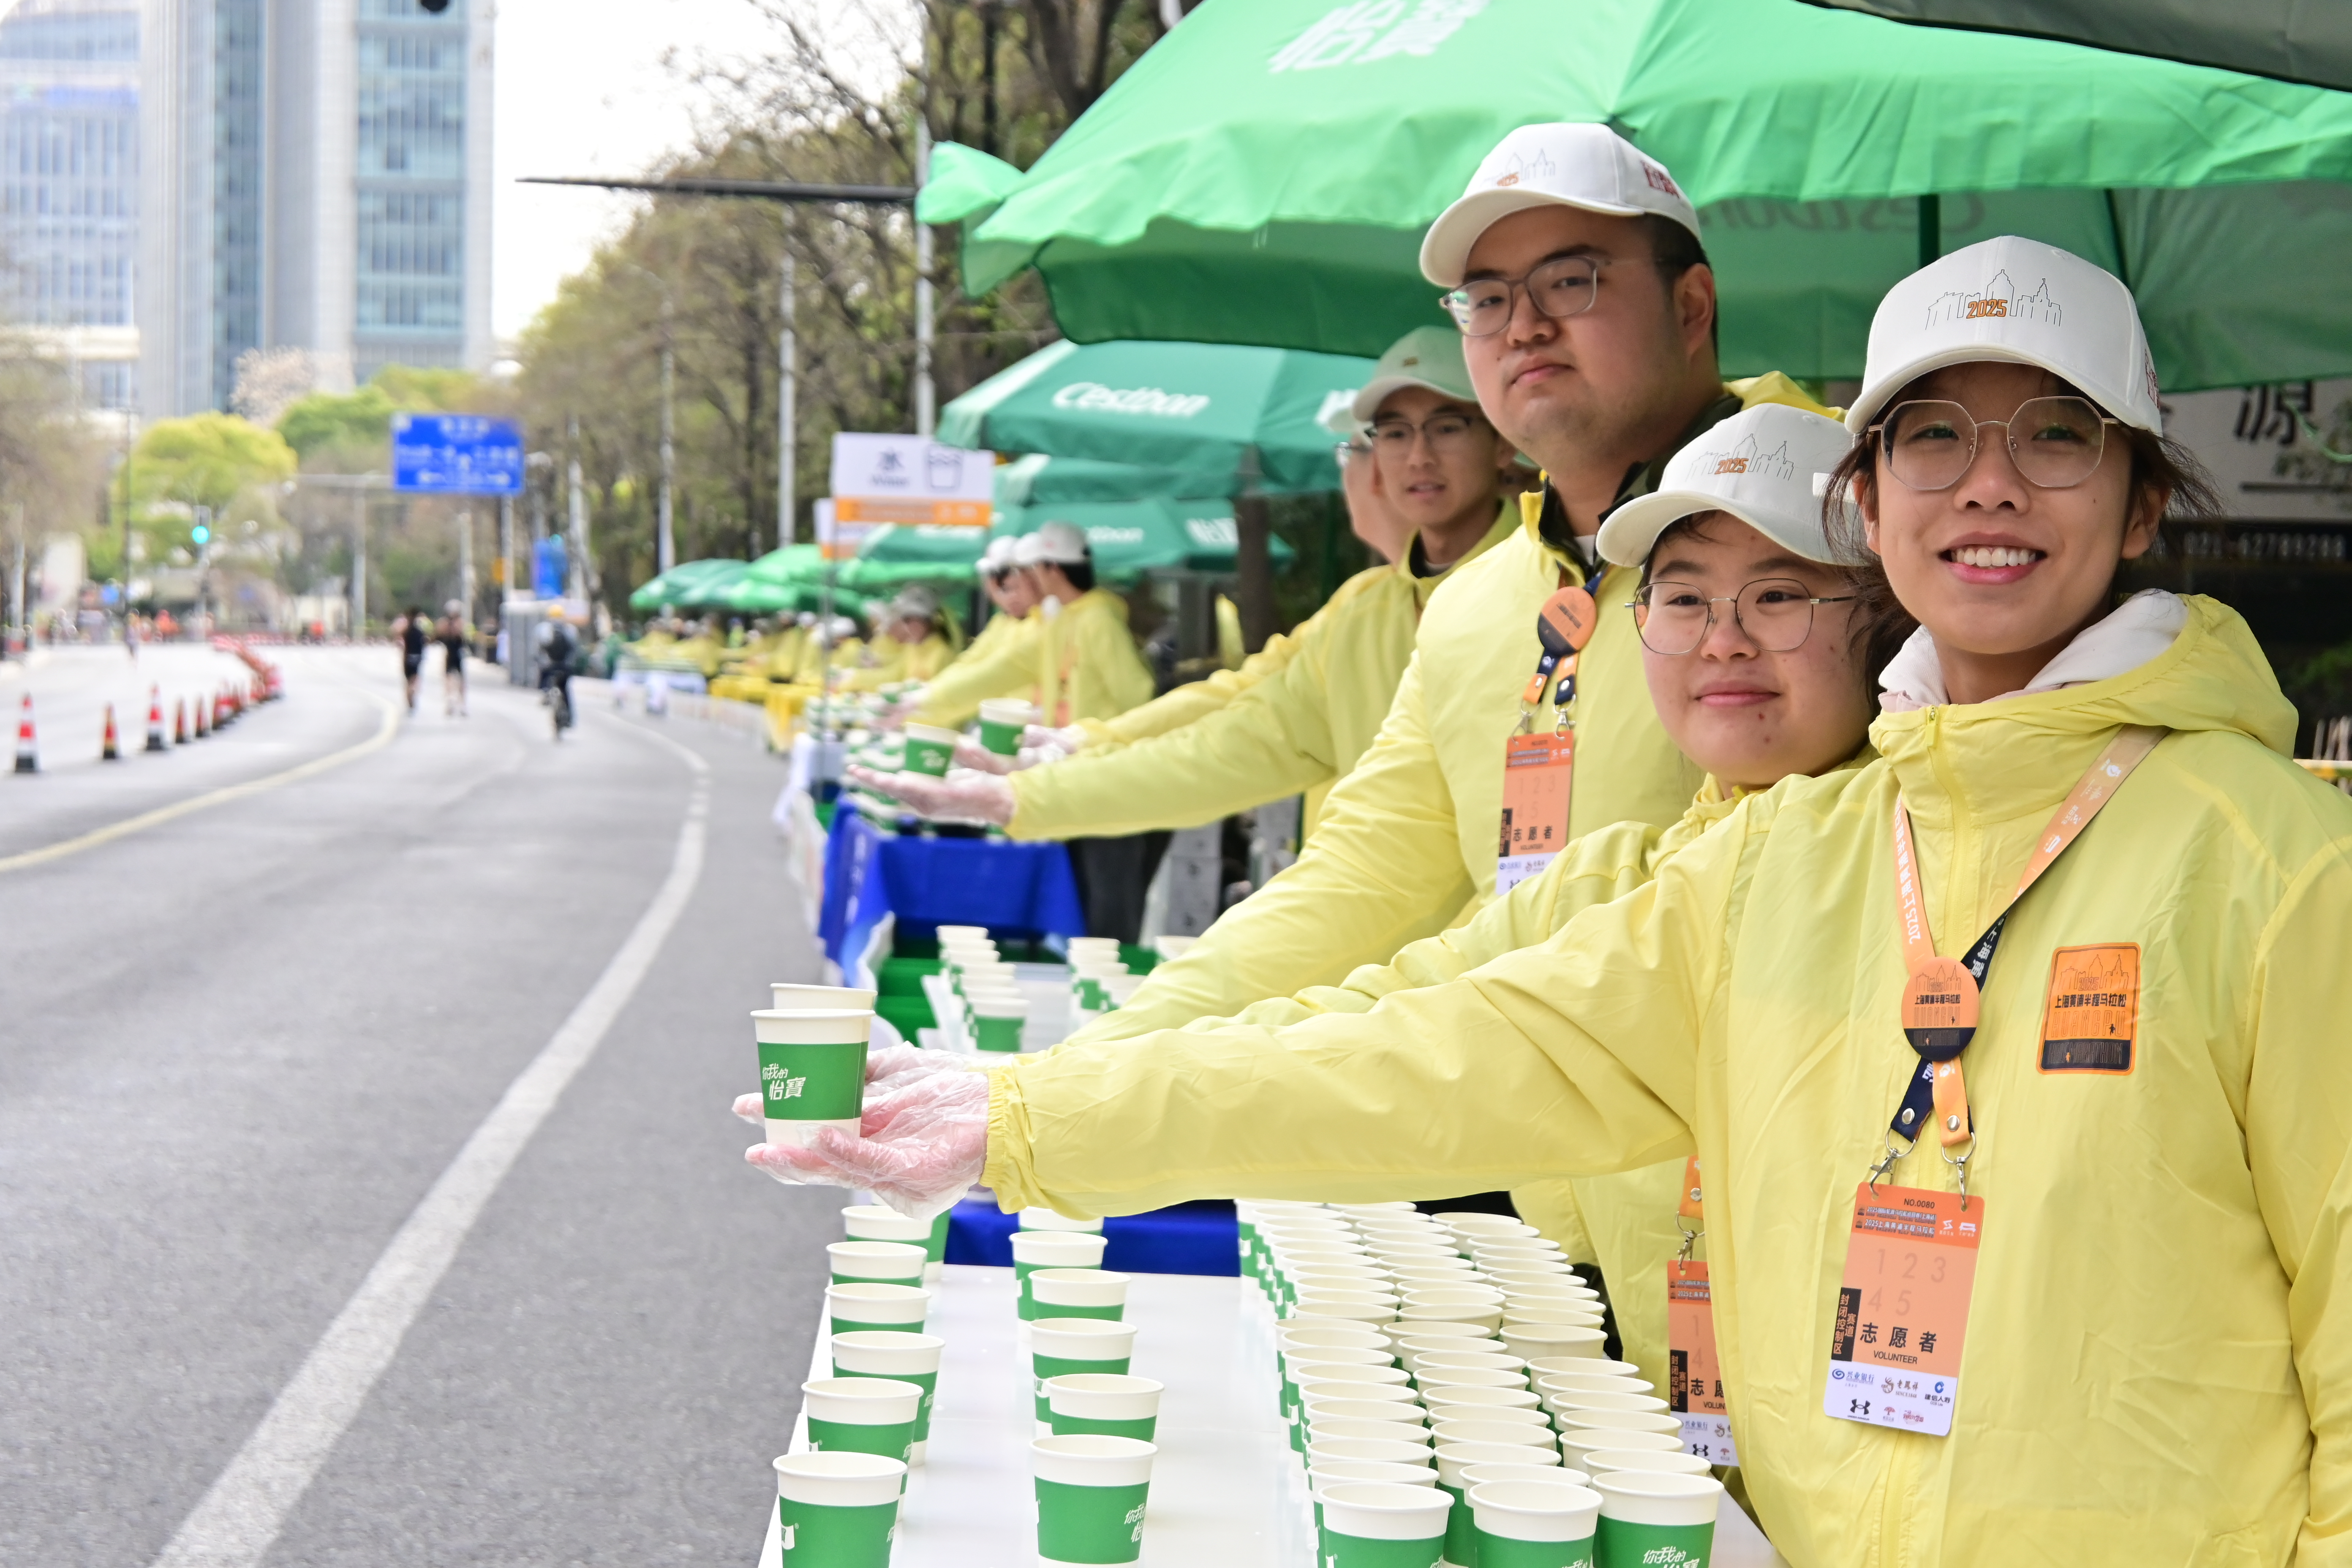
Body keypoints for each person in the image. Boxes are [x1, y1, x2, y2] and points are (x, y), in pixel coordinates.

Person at [761, 238, 2352, 1565]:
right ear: (1871, 503)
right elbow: (1442, 1045)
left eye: (2057, 436)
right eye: (1934, 437)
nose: (1988, 487)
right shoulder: (1778, 864)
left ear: (2141, 502)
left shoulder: (2284, 869)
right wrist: (1032, 1118)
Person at [850, 327, 1522, 841]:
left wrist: (1075, 755)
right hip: (1361, 929)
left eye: (1448, 427)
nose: (1416, 456)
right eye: (1392, 434)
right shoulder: (1366, 609)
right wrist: (1065, 766)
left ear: (1503, 442)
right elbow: (1238, 723)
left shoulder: (1534, 595)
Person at [537, 606, 577, 732]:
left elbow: (540, 649)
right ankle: (570, 718)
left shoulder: (544, 629)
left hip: (550, 666)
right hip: (565, 667)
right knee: (565, 690)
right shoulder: (570, 629)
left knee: (544, 678)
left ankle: (545, 694)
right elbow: (575, 649)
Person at [437, 599, 468, 717]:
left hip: (456, 653)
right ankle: (452, 701)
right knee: (450, 678)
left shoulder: (456, 623)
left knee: (458, 679)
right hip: (451, 653)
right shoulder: (448, 623)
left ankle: (460, 703)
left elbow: (460, 635)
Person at [398, 606, 429, 710]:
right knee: (415, 678)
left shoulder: (406, 631)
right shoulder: (420, 632)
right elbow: (425, 643)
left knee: (408, 680)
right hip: (417, 657)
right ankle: (413, 691)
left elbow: (400, 641)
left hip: (408, 657)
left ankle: (409, 696)